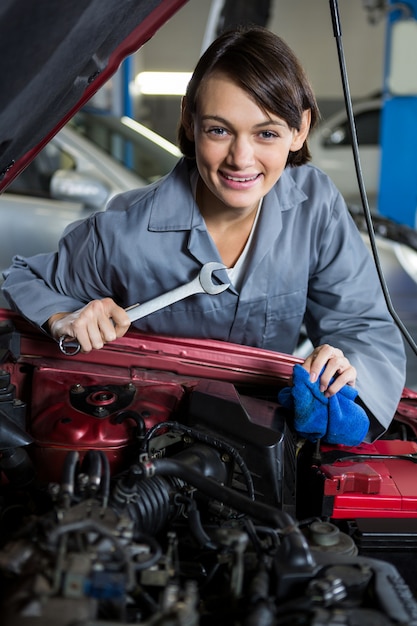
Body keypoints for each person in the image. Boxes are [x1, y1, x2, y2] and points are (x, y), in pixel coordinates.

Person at [2, 25, 406, 442]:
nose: (241, 159)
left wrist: (343, 371)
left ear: (299, 130)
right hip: (148, 438)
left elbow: (362, 325)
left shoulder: (314, 205)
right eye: (219, 130)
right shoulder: (125, 230)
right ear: (190, 122)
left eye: (266, 133)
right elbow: (24, 278)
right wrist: (63, 318)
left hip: (266, 440)